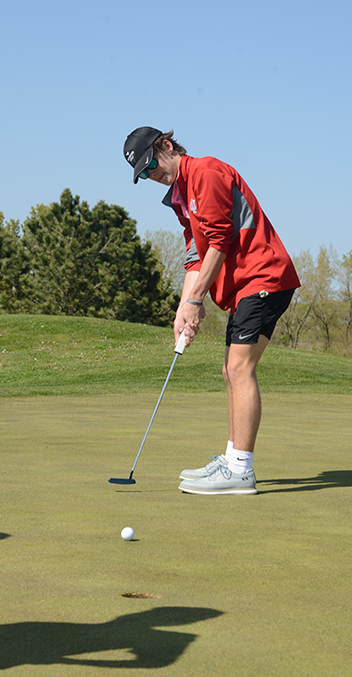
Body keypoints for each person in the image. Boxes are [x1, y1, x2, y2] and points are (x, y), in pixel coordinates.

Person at [123, 127, 300, 495]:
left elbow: (220, 242)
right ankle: (233, 459)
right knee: (229, 371)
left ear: (166, 146)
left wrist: (196, 300)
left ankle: (241, 471)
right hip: (243, 288)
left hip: (263, 276)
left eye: (152, 164)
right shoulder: (180, 196)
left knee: (240, 368)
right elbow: (195, 255)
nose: (153, 174)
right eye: (144, 173)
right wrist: (182, 310)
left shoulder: (205, 172)